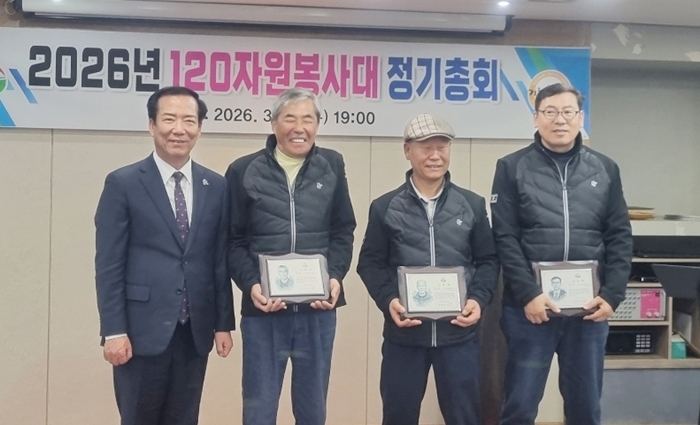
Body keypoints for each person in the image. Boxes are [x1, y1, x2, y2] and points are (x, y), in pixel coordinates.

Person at [490, 83, 633, 425]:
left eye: (568, 112)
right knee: (520, 405)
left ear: (580, 118)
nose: (560, 120)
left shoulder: (605, 168)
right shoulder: (511, 167)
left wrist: (612, 295)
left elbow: (619, 235)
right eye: (550, 112)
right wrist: (528, 294)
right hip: (530, 311)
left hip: (588, 310)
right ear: (536, 118)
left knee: (585, 406)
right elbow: (504, 237)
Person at [95, 86, 235, 425]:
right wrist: (113, 330)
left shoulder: (215, 186)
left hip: (194, 330)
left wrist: (223, 324)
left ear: (199, 128)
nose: (179, 129)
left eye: (189, 120)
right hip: (140, 332)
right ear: (152, 125)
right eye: (169, 119)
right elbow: (109, 265)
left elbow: (218, 260)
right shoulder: (124, 183)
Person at [357, 113, 499, 425]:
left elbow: (489, 260)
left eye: (442, 147)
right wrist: (389, 300)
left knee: (465, 417)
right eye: (426, 147)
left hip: (459, 336)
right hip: (405, 337)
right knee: (398, 416)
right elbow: (369, 263)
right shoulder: (385, 207)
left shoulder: (472, 205)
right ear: (407, 150)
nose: (435, 155)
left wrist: (478, 300)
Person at [226, 87, 356, 425]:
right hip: (264, 311)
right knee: (259, 409)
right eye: (290, 119)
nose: (300, 128)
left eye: (308, 119)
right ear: (273, 124)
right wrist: (251, 285)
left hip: (318, 310)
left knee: (313, 409)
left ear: (317, 125)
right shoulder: (243, 170)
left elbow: (343, 230)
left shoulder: (332, 165)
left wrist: (335, 276)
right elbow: (233, 240)